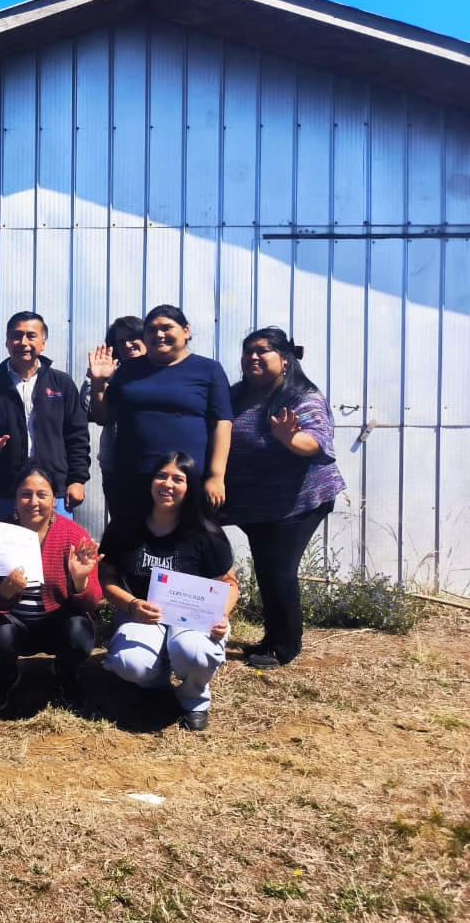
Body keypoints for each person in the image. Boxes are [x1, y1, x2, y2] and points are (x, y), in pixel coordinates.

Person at [223, 327, 346, 669]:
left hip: (297, 502)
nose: (253, 357)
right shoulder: (236, 395)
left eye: (262, 351)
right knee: (267, 567)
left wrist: (291, 438)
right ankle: (272, 636)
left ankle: (284, 646)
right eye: (248, 351)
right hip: (255, 502)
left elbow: (315, 441)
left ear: (286, 359)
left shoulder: (302, 396)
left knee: (278, 569)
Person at [98, 452, 238, 731]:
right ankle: (155, 683)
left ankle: (194, 697)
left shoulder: (205, 531)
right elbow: (108, 578)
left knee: (194, 653)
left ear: (190, 486)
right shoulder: (125, 526)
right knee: (130, 662)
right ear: (150, 482)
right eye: (161, 476)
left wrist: (220, 615)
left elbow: (229, 582)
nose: (168, 484)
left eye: (178, 478)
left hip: (194, 618)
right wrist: (132, 604)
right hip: (143, 614)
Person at [0, 466, 102, 715]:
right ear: (15, 498)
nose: (33, 502)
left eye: (42, 495)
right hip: (15, 623)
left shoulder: (74, 535)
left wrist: (80, 581)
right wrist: (4, 591)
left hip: (58, 624)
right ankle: (7, 676)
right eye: (26, 494)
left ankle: (66, 674)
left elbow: (93, 602)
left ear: (54, 499)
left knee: (78, 632)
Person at [87, 305, 232, 516]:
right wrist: (98, 383)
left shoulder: (208, 369)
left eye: (166, 327)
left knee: (188, 543)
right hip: (132, 477)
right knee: (130, 544)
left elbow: (223, 423)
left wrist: (216, 476)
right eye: (151, 330)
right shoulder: (128, 370)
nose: (159, 334)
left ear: (186, 331)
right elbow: (104, 417)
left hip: (186, 478)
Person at [0, 311, 89, 521]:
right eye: (16, 335)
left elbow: (77, 434)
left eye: (31, 336)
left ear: (43, 343)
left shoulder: (61, 383)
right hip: (8, 492)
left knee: (56, 550)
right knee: (10, 552)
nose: (23, 342)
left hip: (55, 491)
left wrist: (77, 480)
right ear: (7, 342)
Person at [83, 316, 146, 507]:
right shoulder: (108, 372)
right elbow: (89, 411)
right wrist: (98, 380)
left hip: (155, 465)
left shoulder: (161, 373)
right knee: (122, 526)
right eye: (120, 342)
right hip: (116, 467)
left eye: (133, 337)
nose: (127, 345)